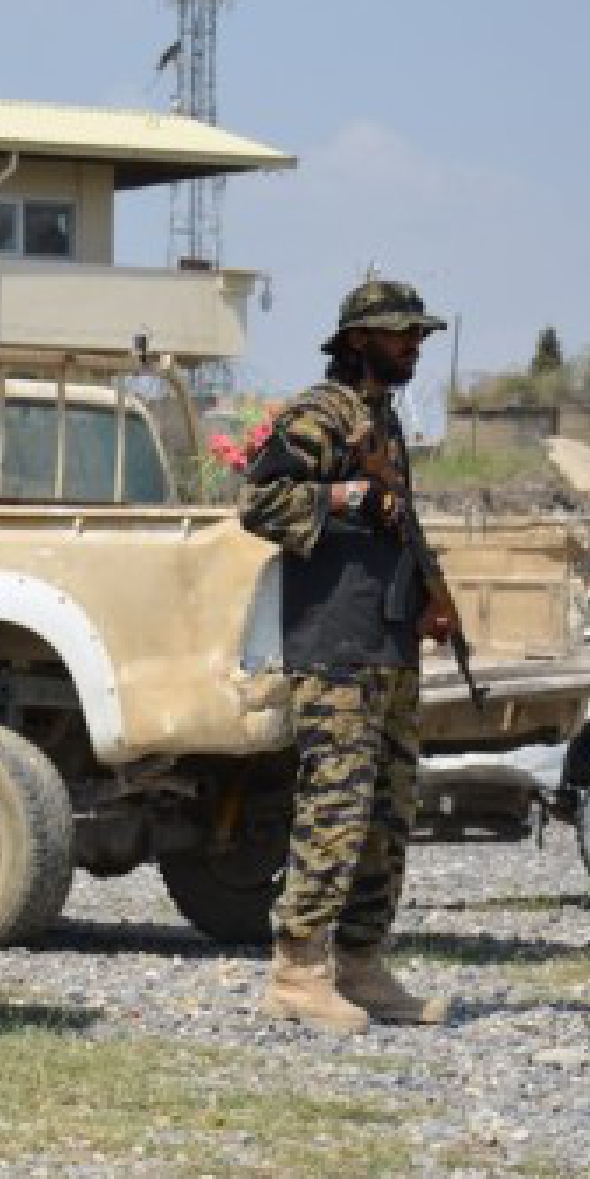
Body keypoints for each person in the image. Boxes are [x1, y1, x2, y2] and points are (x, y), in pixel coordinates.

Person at [237, 278, 456, 1034]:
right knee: (335, 805)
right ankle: (298, 971)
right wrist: (343, 498)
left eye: (419, 335)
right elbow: (257, 502)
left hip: (386, 640)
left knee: (387, 812)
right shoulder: (320, 415)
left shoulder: (383, 420)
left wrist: (429, 598)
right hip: (333, 645)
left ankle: (360, 964)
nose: (414, 346)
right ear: (358, 336)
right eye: (400, 334)